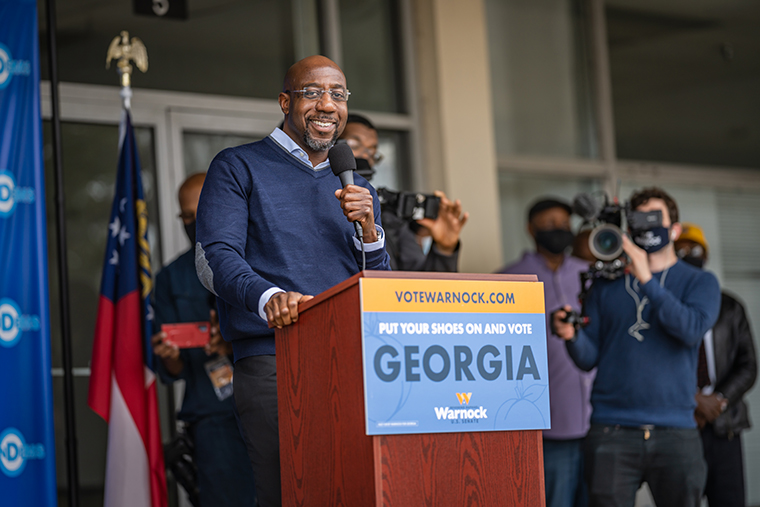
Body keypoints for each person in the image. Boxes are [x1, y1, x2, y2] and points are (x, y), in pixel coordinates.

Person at [194, 55, 390, 507]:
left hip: (352, 362)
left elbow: (377, 284)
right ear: (286, 101)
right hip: (274, 360)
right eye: (313, 92)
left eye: (338, 95)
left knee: (355, 489)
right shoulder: (238, 166)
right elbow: (213, 258)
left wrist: (368, 229)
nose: (327, 104)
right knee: (294, 492)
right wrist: (270, 297)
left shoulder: (358, 188)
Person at [552, 187, 721, 507]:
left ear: (674, 229)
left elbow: (690, 330)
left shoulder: (701, 282)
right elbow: (589, 359)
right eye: (639, 220)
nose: (646, 227)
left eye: (654, 218)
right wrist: (570, 336)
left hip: (677, 432)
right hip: (611, 431)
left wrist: (646, 279)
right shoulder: (605, 284)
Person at [151, 173, 257, 507]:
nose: (195, 223)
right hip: (212, 416)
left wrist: (231, 342)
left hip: (267, 400)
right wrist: (168, 355)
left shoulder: (259, 261)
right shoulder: (171, 277)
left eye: (202, 212)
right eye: (187, 216)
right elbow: (172, 369)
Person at [499, 198, 593, 507]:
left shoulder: (590, 274)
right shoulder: (508, 279)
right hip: (549, 426)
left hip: (600, 421)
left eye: (565, 224)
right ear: (531, 229)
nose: (559, 230)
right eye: (550, 224)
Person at [675, 222, 757, 507]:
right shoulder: (665, 309)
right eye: (680, 250)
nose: (688, 255)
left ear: (706, 256)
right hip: (680, 426)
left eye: (694, 249)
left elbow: (748, 366)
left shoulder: (731, 307)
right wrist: (692, 400)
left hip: (725, 425)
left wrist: (716, 402)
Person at [340, 114, 468, 271]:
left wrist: (444, 249)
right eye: (354, 144)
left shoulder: (388, 216)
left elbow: (420, 287)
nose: (366, 156)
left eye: (372, 151)